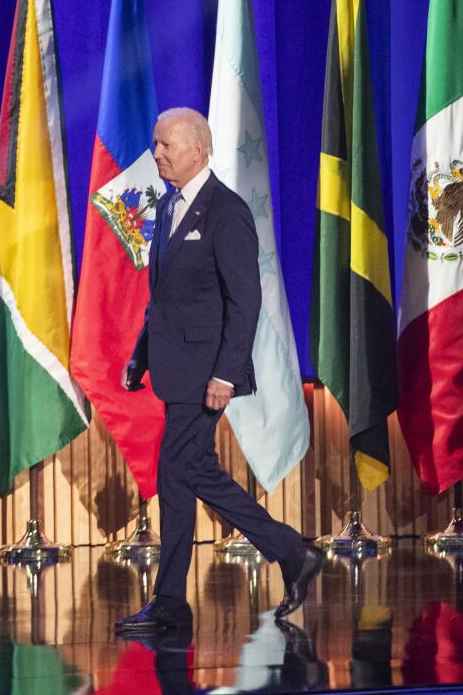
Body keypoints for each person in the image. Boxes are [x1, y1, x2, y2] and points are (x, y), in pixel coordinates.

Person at [115, 107, 322, 635]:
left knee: (185, 473)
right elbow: (162, 299)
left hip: (207, 371)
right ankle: (178, 600)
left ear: (198, 148)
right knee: (182, 476)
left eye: (165, 145)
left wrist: (227, 375)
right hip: (174, 368)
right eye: (156, 144)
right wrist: (141, 354)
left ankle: (286, 552)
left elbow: (244, 299)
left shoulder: (225, 211)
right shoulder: (167, 208)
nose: (157, 154)